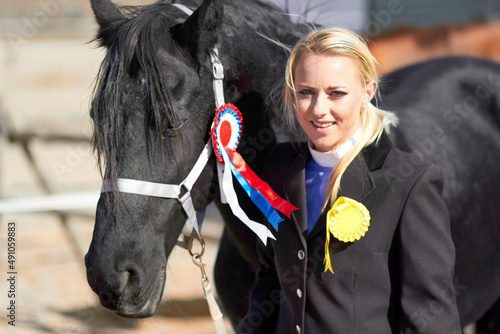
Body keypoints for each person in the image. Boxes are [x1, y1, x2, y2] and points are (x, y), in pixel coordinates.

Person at [236, 27, 461, 334]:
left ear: (367, 92)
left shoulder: (409, 183)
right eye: (306, 92)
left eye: (336, 93)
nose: (318, 110)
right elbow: (271, 278)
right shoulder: (279, 167)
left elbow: (431, 317)